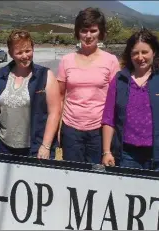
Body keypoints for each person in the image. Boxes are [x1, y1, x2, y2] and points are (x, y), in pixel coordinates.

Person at [101, 28, 159, 173]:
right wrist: (106, 151)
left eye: (144, 52)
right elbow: (109, 118)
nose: (140, 57)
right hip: (126, 156)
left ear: (154, 52)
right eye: (135, 53)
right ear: (129, 54)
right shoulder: (120, 80)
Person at [57, 7, 120, 164]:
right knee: (72, 174)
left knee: (97, 176)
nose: (88, 36)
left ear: (100, 32)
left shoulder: (111, 61)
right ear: (78, 32)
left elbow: (116, 99)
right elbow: (59, 96)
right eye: (84, 31)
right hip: (71, 129)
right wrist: (59, 128)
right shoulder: (66, 60)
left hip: (99, 130)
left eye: (93, 30)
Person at [0, 29, 61, 159]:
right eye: (19, 52)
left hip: (35, 149)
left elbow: (54, 113)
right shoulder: (1, 75)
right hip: (4, 147)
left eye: (28, 51)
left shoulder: (45, 76)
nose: (24, 56)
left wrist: (45, 146)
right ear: (11, 54)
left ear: (33, 49)